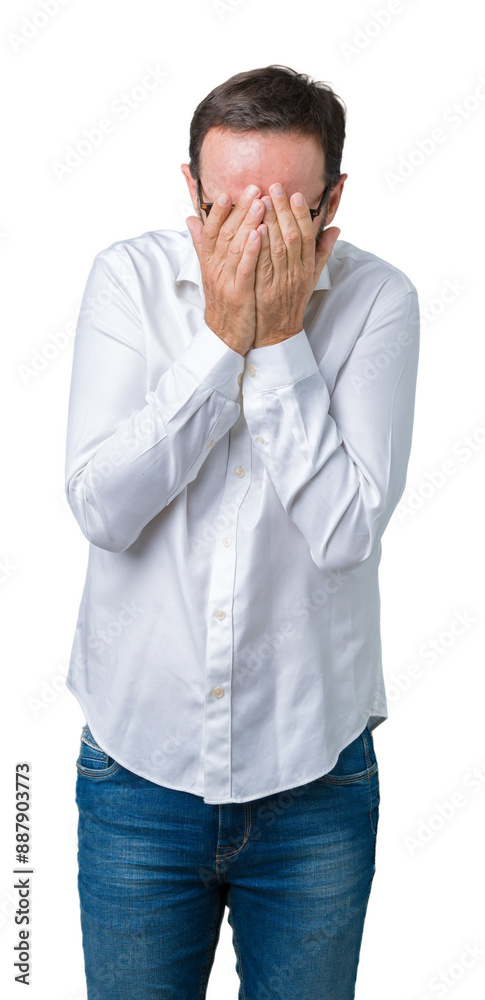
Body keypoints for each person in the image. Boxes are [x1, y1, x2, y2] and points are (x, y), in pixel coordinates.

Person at [64, 64, 420, 999]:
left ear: (333, 200)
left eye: (287, 213)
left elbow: (346, 530)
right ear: (190, 190)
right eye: (228, 211)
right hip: (136, 777)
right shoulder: (127, 283)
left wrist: (277, 343)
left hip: (315, 784)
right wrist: (218, 343)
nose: (256, 236)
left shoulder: (379, 301)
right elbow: (102, 507)